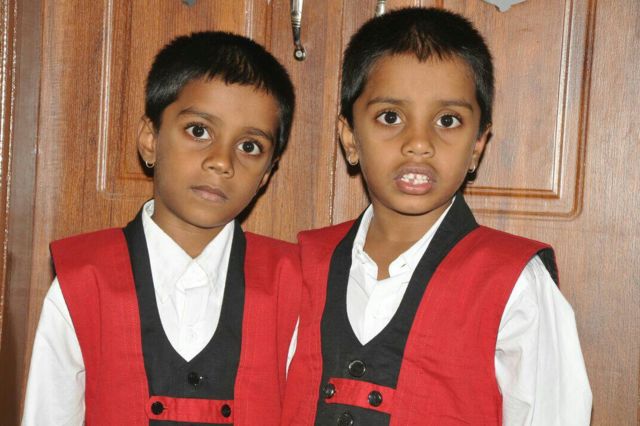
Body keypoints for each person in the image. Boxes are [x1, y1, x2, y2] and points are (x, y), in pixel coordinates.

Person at [283, 7, 591, 425]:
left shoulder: (515, 283)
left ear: (477, 145)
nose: (419, 142)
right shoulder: (303, 266)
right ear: (350, 138)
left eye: (447, 120)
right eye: (390, 117)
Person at [21, 31, 299, 425]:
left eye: (249, 146)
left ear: (267, 173)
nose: (222, 161)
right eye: (199, 131)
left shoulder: (294, 287)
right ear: (150, 140)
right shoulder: (82, 283)